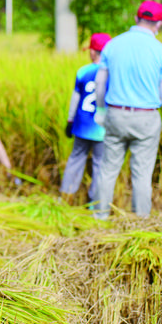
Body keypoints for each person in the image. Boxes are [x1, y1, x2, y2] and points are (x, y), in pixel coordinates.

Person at [93, 0, 162, 219]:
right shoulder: (161, 51)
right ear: (158, 24)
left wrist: (101, 111)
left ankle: (100, 218)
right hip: (147, 118)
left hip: (116, 114)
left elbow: (100, 82)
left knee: (108, 170)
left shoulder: (113, 45)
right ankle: (140, 223)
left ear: (135, 19)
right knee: (141, 175)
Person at [60, 33, 111, 205]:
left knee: (76, 159)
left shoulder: (83, 71)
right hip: (103, 128)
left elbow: (75, 99)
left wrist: (69, 121)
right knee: (99, 165)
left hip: (82, 125)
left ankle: (66, 196)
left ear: (93, 52)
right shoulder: (111, 73)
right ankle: (95, 203)